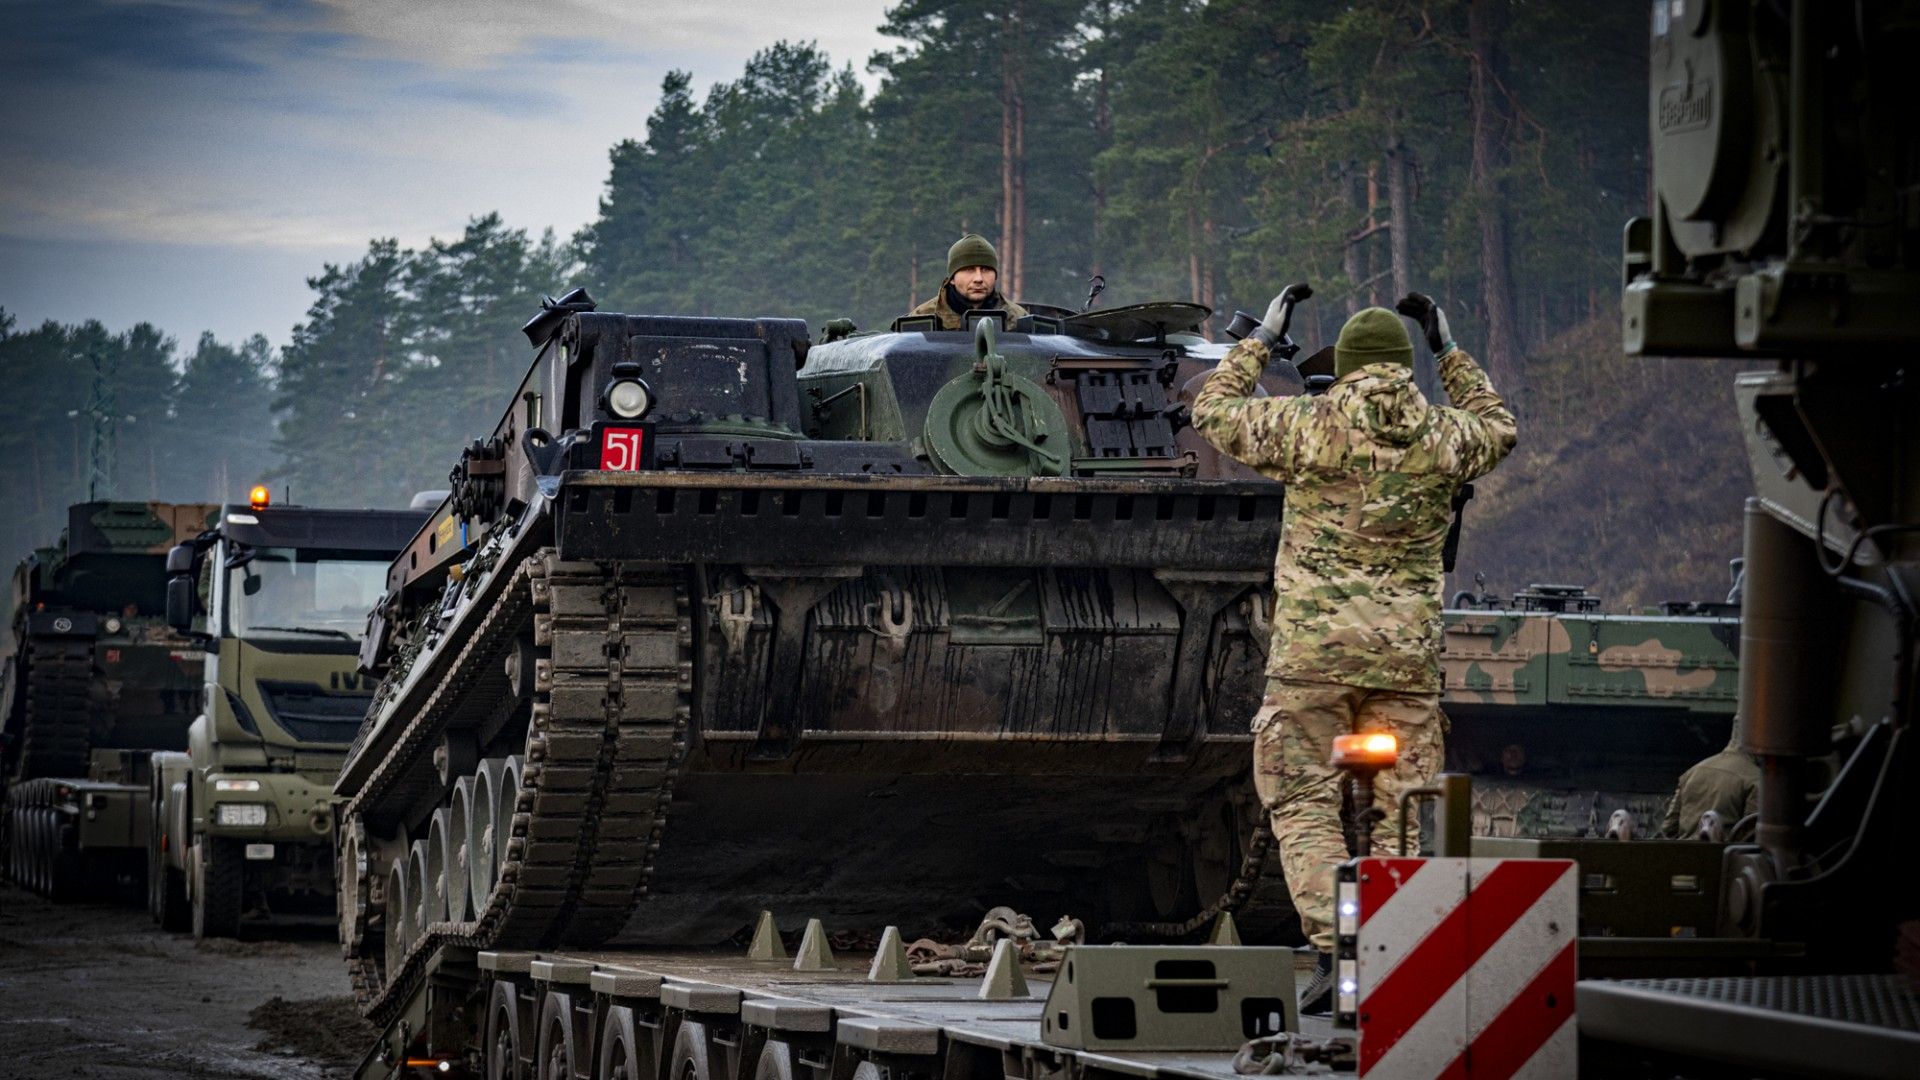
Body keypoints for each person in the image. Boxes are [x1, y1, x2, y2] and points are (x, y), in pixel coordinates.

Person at [1191, 292, 1517, 1014]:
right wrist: (1448, 349)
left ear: (1343, 368)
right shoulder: (1443, 436)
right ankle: (1394, 953)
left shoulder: (1307, 425)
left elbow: (1211, 412)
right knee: (1404, 809)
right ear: (1403, 366)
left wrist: (1260, 343)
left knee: (1304, 798)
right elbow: (1500, 426)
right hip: (1404, 657)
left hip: (1313, 655)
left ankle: (1337, 950)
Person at [908, 234, 1030, 329]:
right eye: (969, 270)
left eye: (986, 269)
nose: (979, 279)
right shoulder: (922, 318)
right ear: (952, 279)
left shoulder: (1019, 319)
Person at [1661, 723, 1760, 840]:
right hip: (1720, 857)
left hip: (1682, 855)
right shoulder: (1756, 779)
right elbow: (1750, 838)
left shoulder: (1693, 772)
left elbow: (1668, 828)